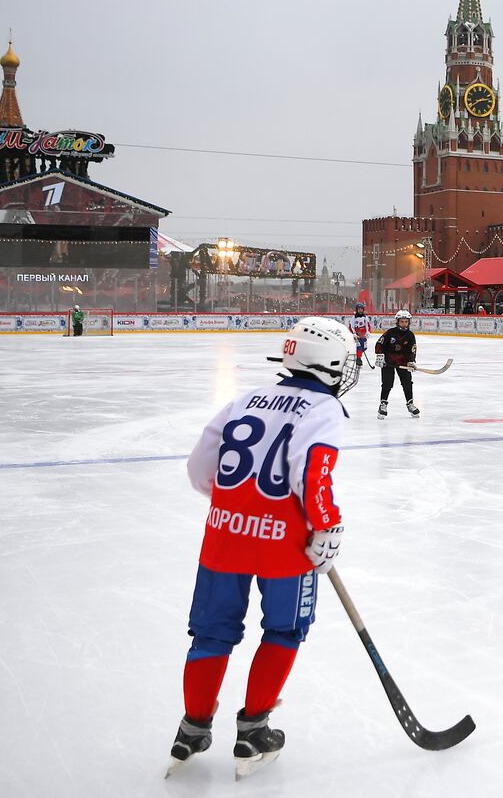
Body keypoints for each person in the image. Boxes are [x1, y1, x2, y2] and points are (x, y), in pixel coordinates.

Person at [168, 317, 357, 778]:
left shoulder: (245, 398)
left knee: (211, 633)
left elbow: (199, 467)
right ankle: (252, 732)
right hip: (284, 547)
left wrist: (239, 509)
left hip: (224, 537)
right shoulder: (323, 407)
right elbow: (312, 473)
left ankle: (192, 729)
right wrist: (327, 527)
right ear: (328, 361)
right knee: (284, 631)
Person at [374, 310, 419, 419]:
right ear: (397, 322)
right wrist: (380, 355)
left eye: (406, 321)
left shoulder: (410, 335)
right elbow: (379, 344)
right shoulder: (390, 333)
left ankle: (410, 404)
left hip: (403, 362)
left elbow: (412, 350)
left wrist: (411, 361)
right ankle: (383, 404)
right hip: (388, 362)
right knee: (387, 383)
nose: (404, 323)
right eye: (402, 321)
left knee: (407, 383)